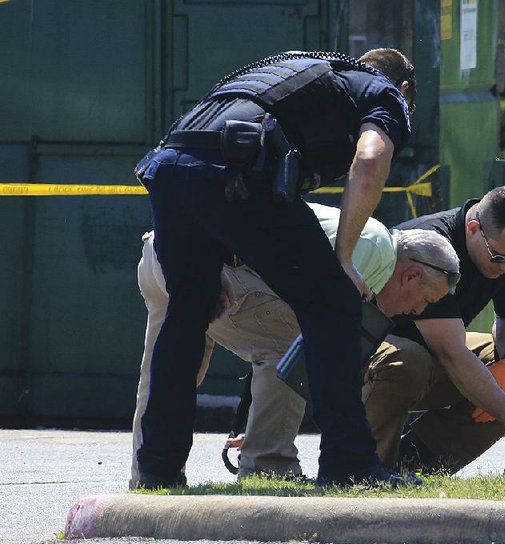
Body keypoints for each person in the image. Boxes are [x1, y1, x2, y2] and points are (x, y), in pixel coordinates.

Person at [132, 48, 419, 488]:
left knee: (189, 311)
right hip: (234, 170)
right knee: (334, 303)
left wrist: (217, 263)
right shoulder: (385, 93)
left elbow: (206, 152)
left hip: (171, 164)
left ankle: (157, 469)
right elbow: (369, 160)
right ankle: (351, 465)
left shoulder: (299, 68)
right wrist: (342, 259)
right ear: (403, 90)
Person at [130, 203, 459, 488]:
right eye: (425, 300)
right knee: (296, 343)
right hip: (208, 260)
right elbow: (304, 350)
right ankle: (268, 465)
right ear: (412, 275)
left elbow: (268, 324)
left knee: (166, 370)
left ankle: (149, 475)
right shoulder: (374, 250)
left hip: (164, 250)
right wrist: (266, 434)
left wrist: (263, 423)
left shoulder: (372, 243)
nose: (417, 312)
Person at [361, 184, 505, 474]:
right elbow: (450, 352)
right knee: (408, 361)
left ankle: (417, 463)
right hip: (369, 356)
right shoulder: (432, 247)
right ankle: (365, 466)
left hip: (437, 354)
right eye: (500, 259)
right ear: (473, 229)